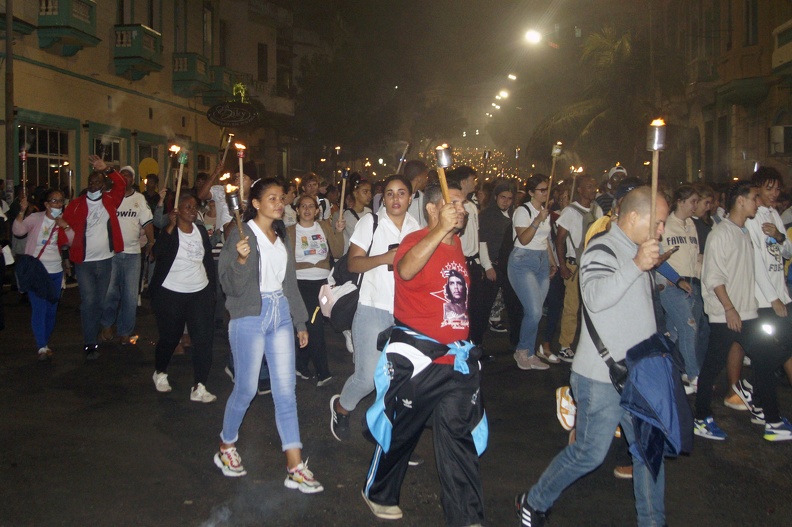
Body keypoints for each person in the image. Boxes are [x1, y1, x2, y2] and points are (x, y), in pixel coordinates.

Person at [515, 187, 670, 527]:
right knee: (589, 453)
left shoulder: (638, 249)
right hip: (602, 377)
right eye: (657, 222)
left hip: (639, 375)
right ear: (633, 217)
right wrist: (636, 265)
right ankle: (534, 500)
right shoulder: (603, 248)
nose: (661, 230)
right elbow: (596, 298)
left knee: (648, 453)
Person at [361, 182, 487, 525]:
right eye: (454, 203)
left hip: (456, 361)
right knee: (403, 431)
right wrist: (439, 230)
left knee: (458, 438)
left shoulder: (457, 245)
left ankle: (466, 516)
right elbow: (405, 270)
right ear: (433, 209)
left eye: (464, 203)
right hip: (419, 360)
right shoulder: (414, 240)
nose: (462, 209)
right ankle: (379, 492)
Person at [214, 178, 322, 493]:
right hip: (249, 315)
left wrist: (300, 321)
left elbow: (290, 283)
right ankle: (226, 445)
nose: (279, 203)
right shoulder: (241, 234)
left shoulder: (281, 235)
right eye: (271, 198)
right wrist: (241, 260)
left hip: (280, 313)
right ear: (256, 203)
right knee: (246, 389)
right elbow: (229, 285)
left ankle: (295, 466)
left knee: (286, 392)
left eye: (281, 198)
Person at [694, 180, 792, 442]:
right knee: (712, 368)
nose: (757, 203)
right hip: (726, 316)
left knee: (767, 358)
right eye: (754, 198)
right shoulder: (720, 234)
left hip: (747, 313)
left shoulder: (744, 233)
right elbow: (713, 277)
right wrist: (729, 309)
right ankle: (701, 419)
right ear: (740, 201)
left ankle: (771, 419)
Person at [329, 175, 420, 441]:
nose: (395, 198)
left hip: (405, 312)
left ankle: (388, 433)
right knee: (367, 377)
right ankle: (341, 407)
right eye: (389, 193)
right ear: (383, 198)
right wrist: (384, 258)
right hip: (372, 308)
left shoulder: (416, 227)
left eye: (401, 193)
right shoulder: (371, 222)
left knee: (399, 378)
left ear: (410, 198)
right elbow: (353, 263)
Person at [724, 168, 792, 425]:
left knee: (776, 350)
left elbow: (786, 252)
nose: (774, 194)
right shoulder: (751, 220)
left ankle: (758, 400)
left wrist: (778, 236)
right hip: (762, 300)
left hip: (781, 294)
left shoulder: (773, 215)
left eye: (777, 189)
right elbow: (755, 264)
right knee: (767, 352)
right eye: (768, 189)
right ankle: (754, 397)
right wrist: (773, 298)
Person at [149, 193, 216, 403]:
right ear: (177, 210)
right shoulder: (171, 232)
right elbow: (157, 253)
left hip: (199, 292)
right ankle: (160, 371)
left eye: (195, 207)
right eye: (187, 207)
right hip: (172, 292)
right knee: (170, 337)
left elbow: (207, 260)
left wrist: (211, 291)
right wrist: (170, 226)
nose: (192, 210)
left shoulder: (200, 231)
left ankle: (200, 386)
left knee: (203, 339)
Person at [62, 155, 126, 360]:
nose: (93, 184)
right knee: (89, 301)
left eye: (97, 181)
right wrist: (65, 254)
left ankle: (96, 332)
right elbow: (63, 228)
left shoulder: (110, 200)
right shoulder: (76, 204)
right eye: (91, 181)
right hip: (84, 263)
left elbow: (122, 184)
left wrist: (107, 168)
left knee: (100, 301)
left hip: (105, 260)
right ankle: (90, 342)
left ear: (103, 185)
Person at [287, 194, 345, 385]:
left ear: (317, 210)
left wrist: (338, 232)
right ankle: (323, 373)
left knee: (312, 323)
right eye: (303, 206)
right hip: (301, 283)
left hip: (324, 283)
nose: (307, 209)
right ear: (297, 210)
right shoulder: (289, 231)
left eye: (311, 206)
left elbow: (337, 252)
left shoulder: (324, 226)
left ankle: (300, 364)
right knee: (315, 325)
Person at [13, 189, 74, 359]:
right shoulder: (36, 218)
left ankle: (44, 343)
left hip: (56, 271)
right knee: (39, 308)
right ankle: (41, 345)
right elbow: (18, 231)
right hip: (37, 271)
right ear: (46, 204)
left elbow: (72, 240)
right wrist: (22, 211)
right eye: (54, 201)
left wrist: (65, 226)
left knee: (51, 310)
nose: (58, 204)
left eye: (61, 201)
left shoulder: (63, 220)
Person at [659, 184, 707, 393]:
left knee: (675, 333)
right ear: (680, 201)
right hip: (672, 286)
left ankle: (667, 370)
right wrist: (675, 278)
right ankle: (693, 374)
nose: (695, 205)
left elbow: (695, 256)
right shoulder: (666, 225)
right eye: (692, 201)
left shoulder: (691, 225)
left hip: (692, 284)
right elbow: (659, 257)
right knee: (689, 327)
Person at [99, 166, 154, 345]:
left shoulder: (139, 199)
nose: (125, 179)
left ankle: (125, 330)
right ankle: (107, 324)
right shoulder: (108, 196)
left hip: (132, 254)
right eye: (122, 176)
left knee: (130, 295)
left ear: (133, 180)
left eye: (128, 176)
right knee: (110, 293)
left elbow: (147, 222)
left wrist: (151, 242)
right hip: (111, 253)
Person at [509, 174, 559, 370]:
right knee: (534, 311)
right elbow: (524, 239)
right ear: (531, 192)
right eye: (541, 190)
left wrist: (552, 262)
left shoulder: (545, 212)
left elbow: (544, 240)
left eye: (547, 189)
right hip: (523, 261)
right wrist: (538, 219)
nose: (546, 193)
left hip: (541, 261)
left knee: (535, 312)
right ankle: (522, 351)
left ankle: (530, 352)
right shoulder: (523, 211)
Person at [555, 174, 603, 362]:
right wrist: (562, 266)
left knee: (592, 306)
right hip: (574, 266)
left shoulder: (597, 210)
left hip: (592, 265)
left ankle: (590, 344)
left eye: (594, 186)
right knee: (572, 307)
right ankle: (565, 345)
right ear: (580, 190)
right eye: (589, 186)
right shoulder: (570, 212)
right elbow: (559, 240)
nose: (593, 190)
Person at [477, 181, 514, 337]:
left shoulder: (513, 214)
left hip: (507, 263)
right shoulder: (487, 215)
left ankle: (495, 319)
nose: (506, 201)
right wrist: (487, 266)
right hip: (492, 262)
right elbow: (482, 241)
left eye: (509, 198)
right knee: (485, 303)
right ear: (495, 197)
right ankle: (478, 338)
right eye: (502, 197)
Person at [342, 173, 372, 254]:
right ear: (355, 193)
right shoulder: (347, 215)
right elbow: (359, 237)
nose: (369, 195)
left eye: (370, 191)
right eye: (365, 192)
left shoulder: (369, 212)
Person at [404, 160, 430, 228]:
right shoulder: (397, 198)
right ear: (419, 178)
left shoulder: (422, 197)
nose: (426, 180)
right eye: (426, 177)